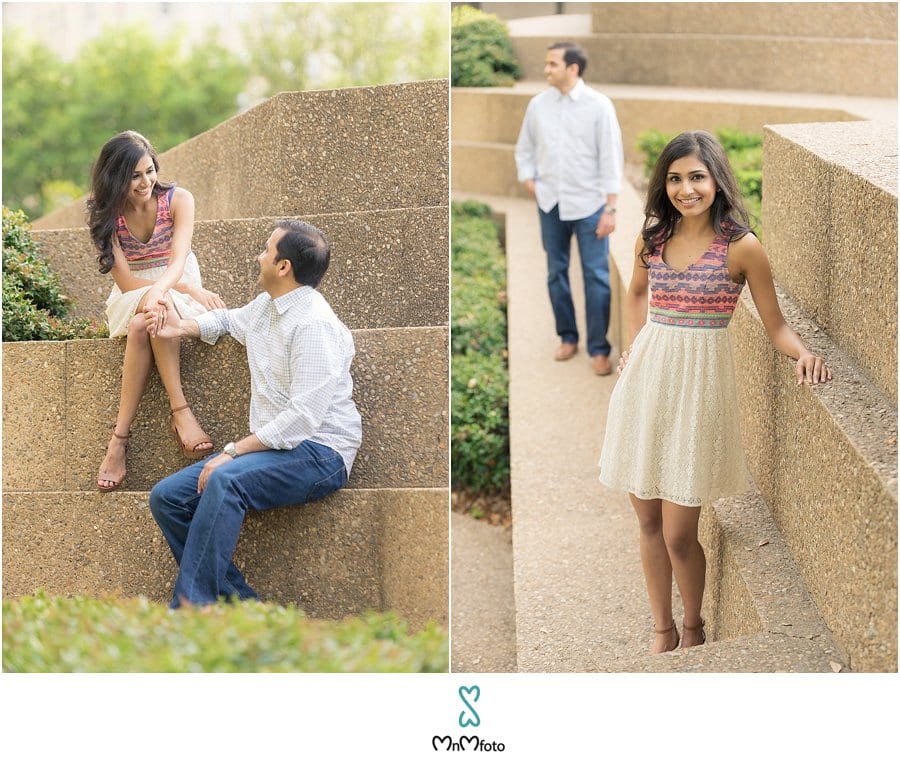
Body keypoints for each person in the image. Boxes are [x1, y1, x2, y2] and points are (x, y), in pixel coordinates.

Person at [598, 131, 831, 653]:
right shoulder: (651, 239)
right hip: (646, 386)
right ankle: (662, 630)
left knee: (681, 534)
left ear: (716, 180)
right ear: (665, 184)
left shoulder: (742, 248)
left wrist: (804, 354)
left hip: (698, 394)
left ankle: (694, 625)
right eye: (676, 178)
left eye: (696, 177)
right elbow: (636, 295)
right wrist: (632, 351)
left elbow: (776, 327)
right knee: (648, 520)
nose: (686, 189)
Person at [144, 220, 362, 608]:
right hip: (275, 449)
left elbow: (302, 420)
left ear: (283, 267)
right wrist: (180, 327)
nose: (258, 256)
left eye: (266, 250)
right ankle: (245, 610)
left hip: (319, 452)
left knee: (225, 480)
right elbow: (229, 321)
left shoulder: (314, 325)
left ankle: (189, 612)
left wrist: (232, 451)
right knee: (167, 497)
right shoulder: (268, 306)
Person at [89, 131, 224, 492]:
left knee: (141, 327)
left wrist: (169, 289)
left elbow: (178, 260)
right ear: (115, 177)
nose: (145, 182)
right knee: (151, 310)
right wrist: (173, 291)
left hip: (173, 281)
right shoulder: (107, 216)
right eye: (134, 175)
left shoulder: (179, 200)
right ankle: (181, 413)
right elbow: (127, 282)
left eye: (149, 171)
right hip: (133, 292)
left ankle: (119, 440)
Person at [514, 41, 624, 375]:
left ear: (572, 68)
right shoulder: (537, 105)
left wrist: (611, 209)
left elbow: (611, 158)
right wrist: (529, 180)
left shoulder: (599, 106)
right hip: (550, 204)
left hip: (590, 205)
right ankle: (567, 336)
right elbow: (524, 149)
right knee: (555, 273)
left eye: (552, 64)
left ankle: (599, 348)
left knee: (597, 277)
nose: (546, 70)